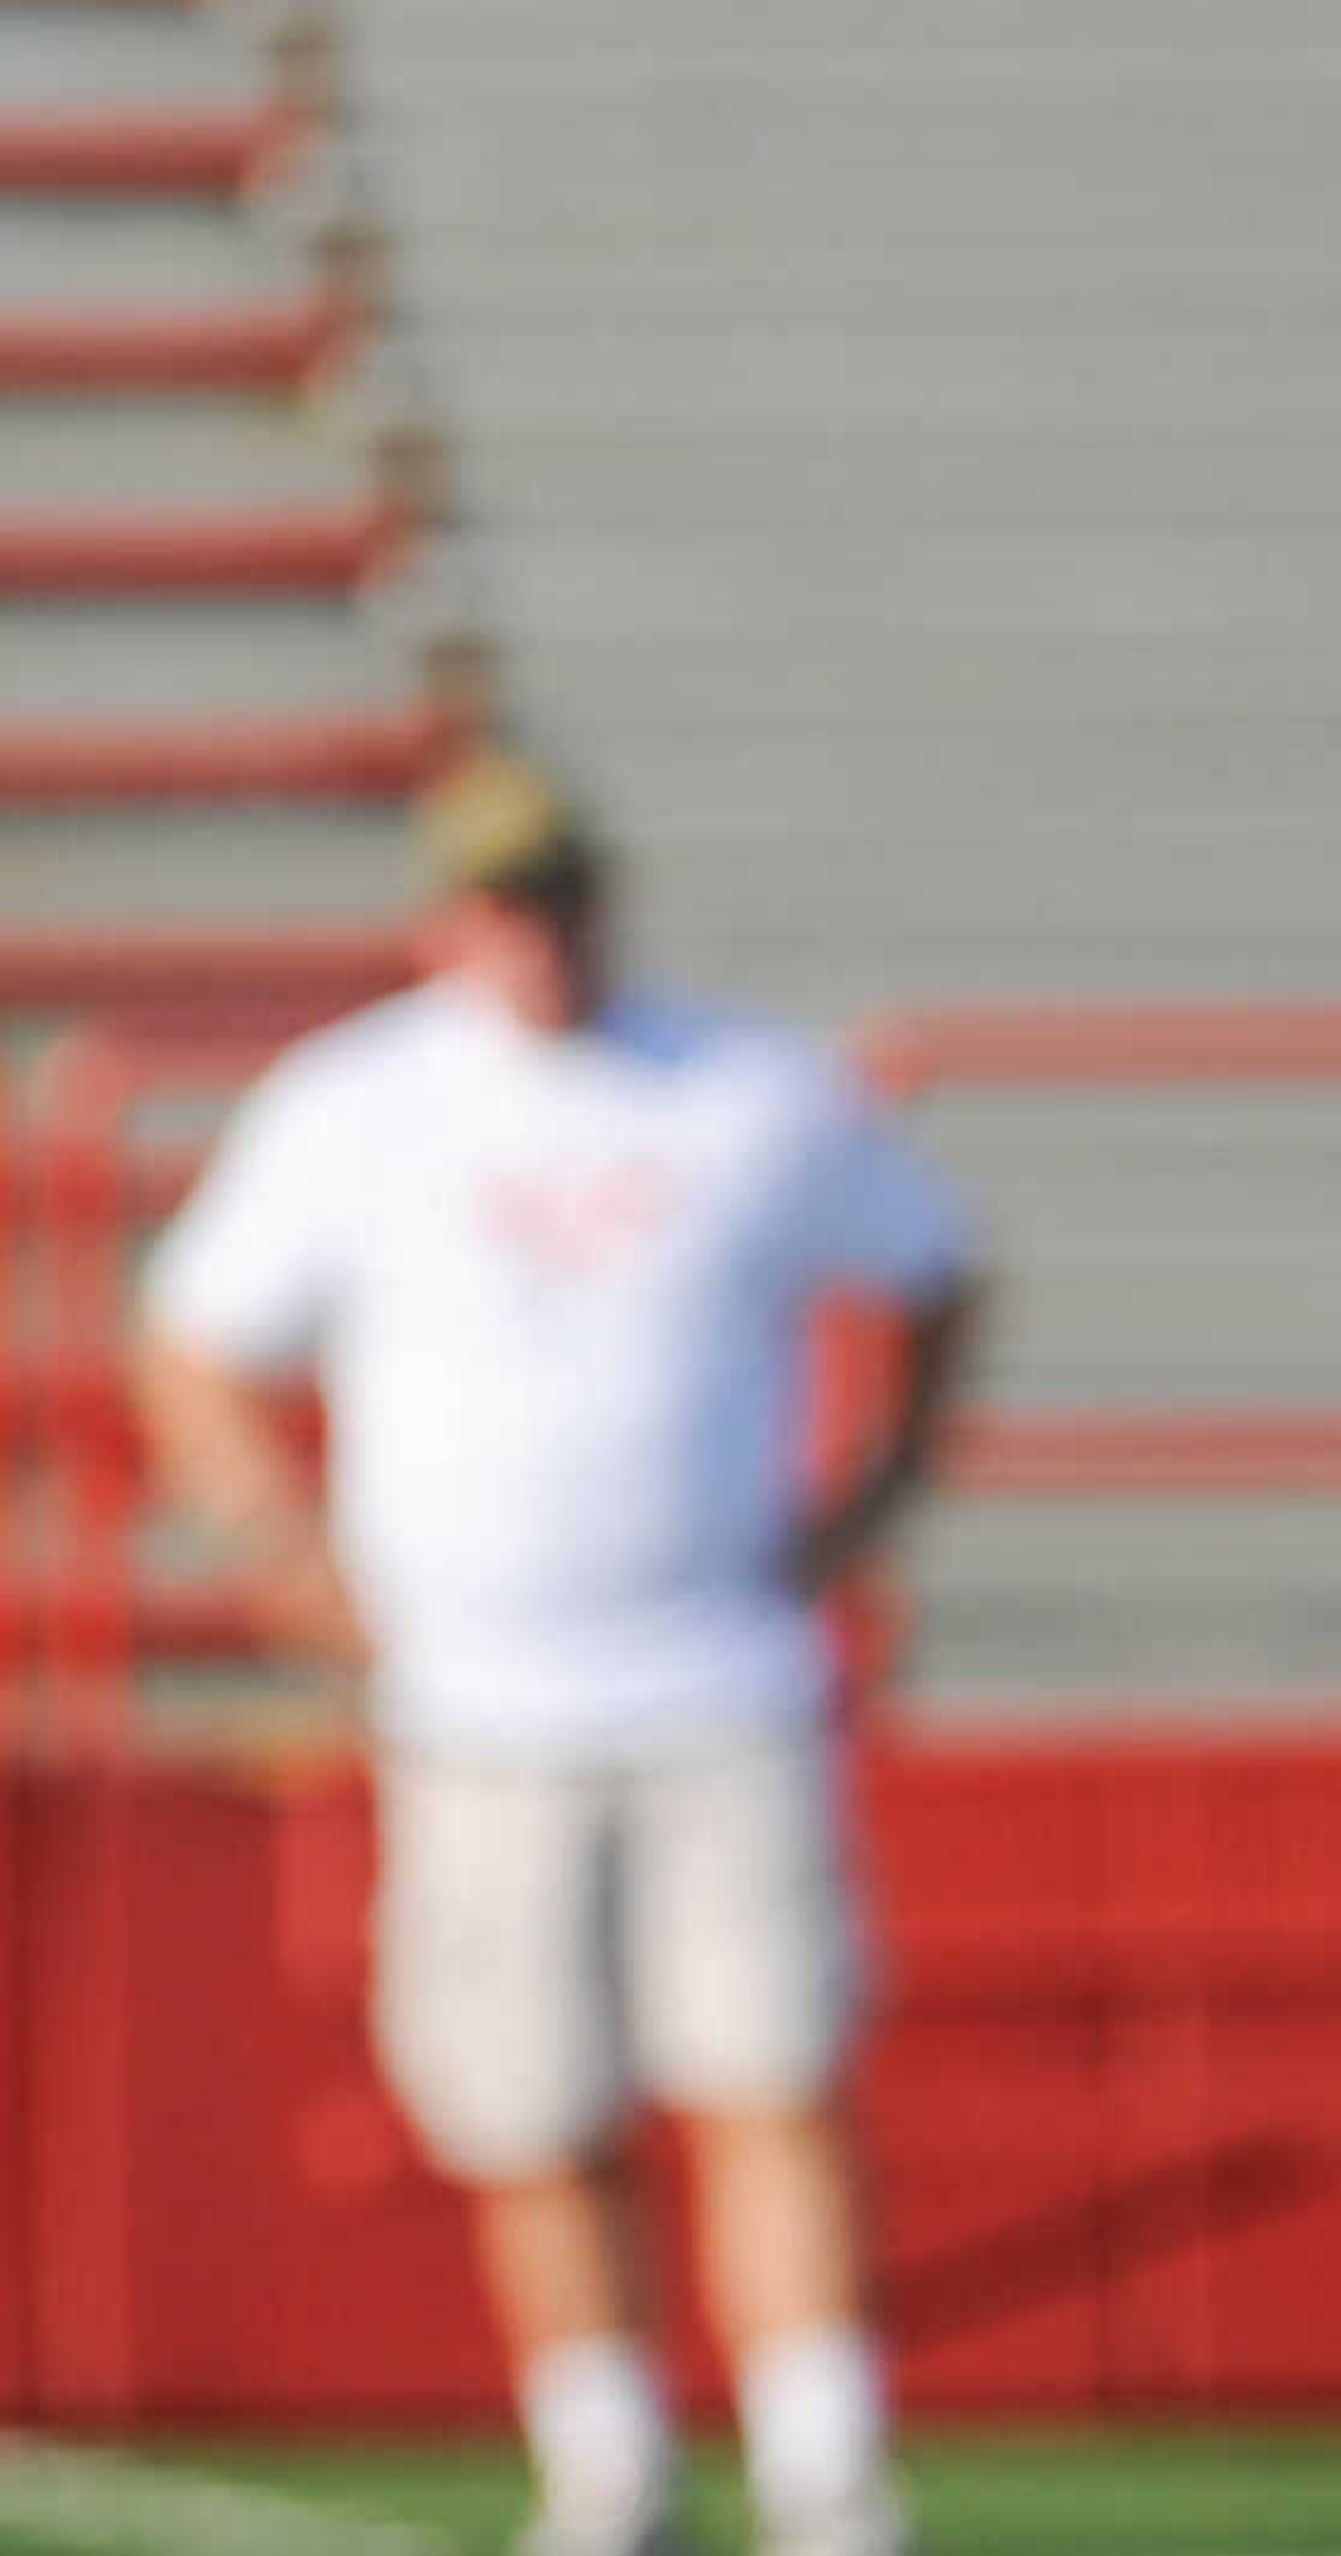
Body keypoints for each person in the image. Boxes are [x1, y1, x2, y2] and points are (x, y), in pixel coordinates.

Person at [134, 747, 981, 2556]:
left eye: (557, 896)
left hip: (720, 1679)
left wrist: (874, 1493)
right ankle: (607, 2465)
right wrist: (278, 1545)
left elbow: (935, 1267)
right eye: (500, 903)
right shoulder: (357, 1105)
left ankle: (828, 2472)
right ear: (447, 921)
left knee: (772, 2075)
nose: (534, 936)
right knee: (534, 2106)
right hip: (476, 1700)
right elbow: (195, 1342)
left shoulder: (748, 1088)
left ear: (605, 898)